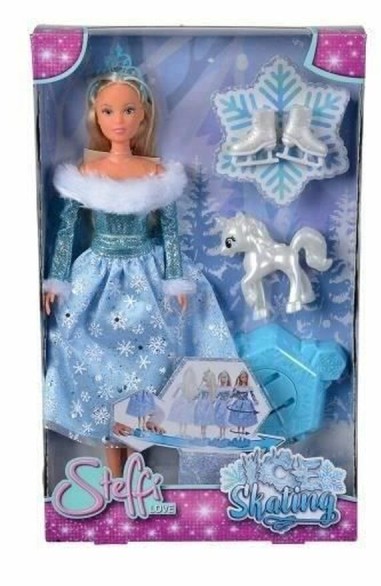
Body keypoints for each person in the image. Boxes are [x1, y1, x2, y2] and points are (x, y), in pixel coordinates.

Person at [42, 56, 237, 476]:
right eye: (108, 111)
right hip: (96, 278)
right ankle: (116, 479)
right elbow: (67, 230)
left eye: (128, 110)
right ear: (96, 115)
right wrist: (56, 280)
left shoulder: (156, 173)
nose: (119, 120)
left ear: (143, 114)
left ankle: (137, 473)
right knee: (96, 367)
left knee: (149, 370)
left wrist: (176, 280)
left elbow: (170, 232)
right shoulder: (86, 172)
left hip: (145, 277)